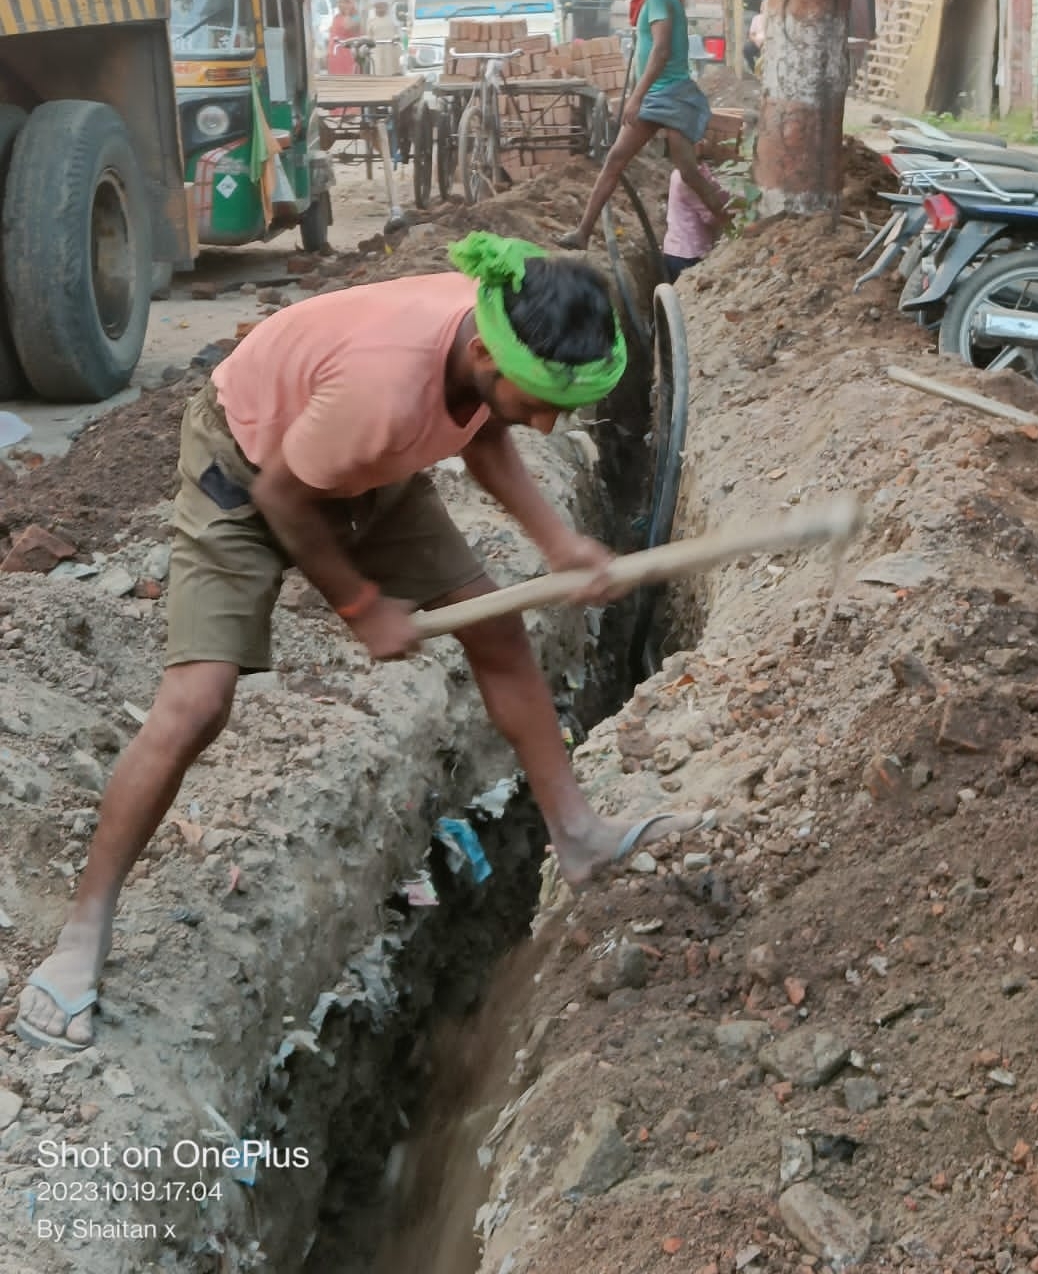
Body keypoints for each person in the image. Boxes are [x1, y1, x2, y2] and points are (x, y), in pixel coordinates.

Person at [15, 235, 711, 1052]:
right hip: (243, 469)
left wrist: (559, 541)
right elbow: (284, 496)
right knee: (197, 701)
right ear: (485, 353)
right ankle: (80, 939)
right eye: (540, 401)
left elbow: (485, 431)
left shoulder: (491, 342)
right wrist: (358, 603)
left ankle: (579, 835)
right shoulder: (383, 385)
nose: (551, 423)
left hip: (359, 468)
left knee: (497, 626)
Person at [558, 0, 727, 251]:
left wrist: (636, 98)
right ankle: (582, 233)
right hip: (667, 93)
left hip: (666, 94)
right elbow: (646, 54)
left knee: (624, 163)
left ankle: (732, 226)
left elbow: (660, 51)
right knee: (670, 169)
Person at [663, 160, 736, 283]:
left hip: (687, 250)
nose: (704, 141)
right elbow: (710, 217)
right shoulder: (685, 178)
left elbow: (717, 191)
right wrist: (736, 214)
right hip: (686, 254)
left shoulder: (700, 170)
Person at [327, 0, 361, 75]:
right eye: (339, 2)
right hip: (335, 55)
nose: (340, 5)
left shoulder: (356, 17)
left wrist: (348, 13)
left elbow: (347, 26)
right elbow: (332, 36)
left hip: (348, 55)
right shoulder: (336, 17)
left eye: (344, 3)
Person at [367, 0, 402, 77]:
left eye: (382, 7)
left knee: (391, 69)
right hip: (377, 49)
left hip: (391, 48)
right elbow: (369, 36)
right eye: (378, 7)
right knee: (378, 69)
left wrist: (396, 38)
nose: (380, 9)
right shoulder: (371, 21)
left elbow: (399, 33)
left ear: (386, 8)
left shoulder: (393, 19)